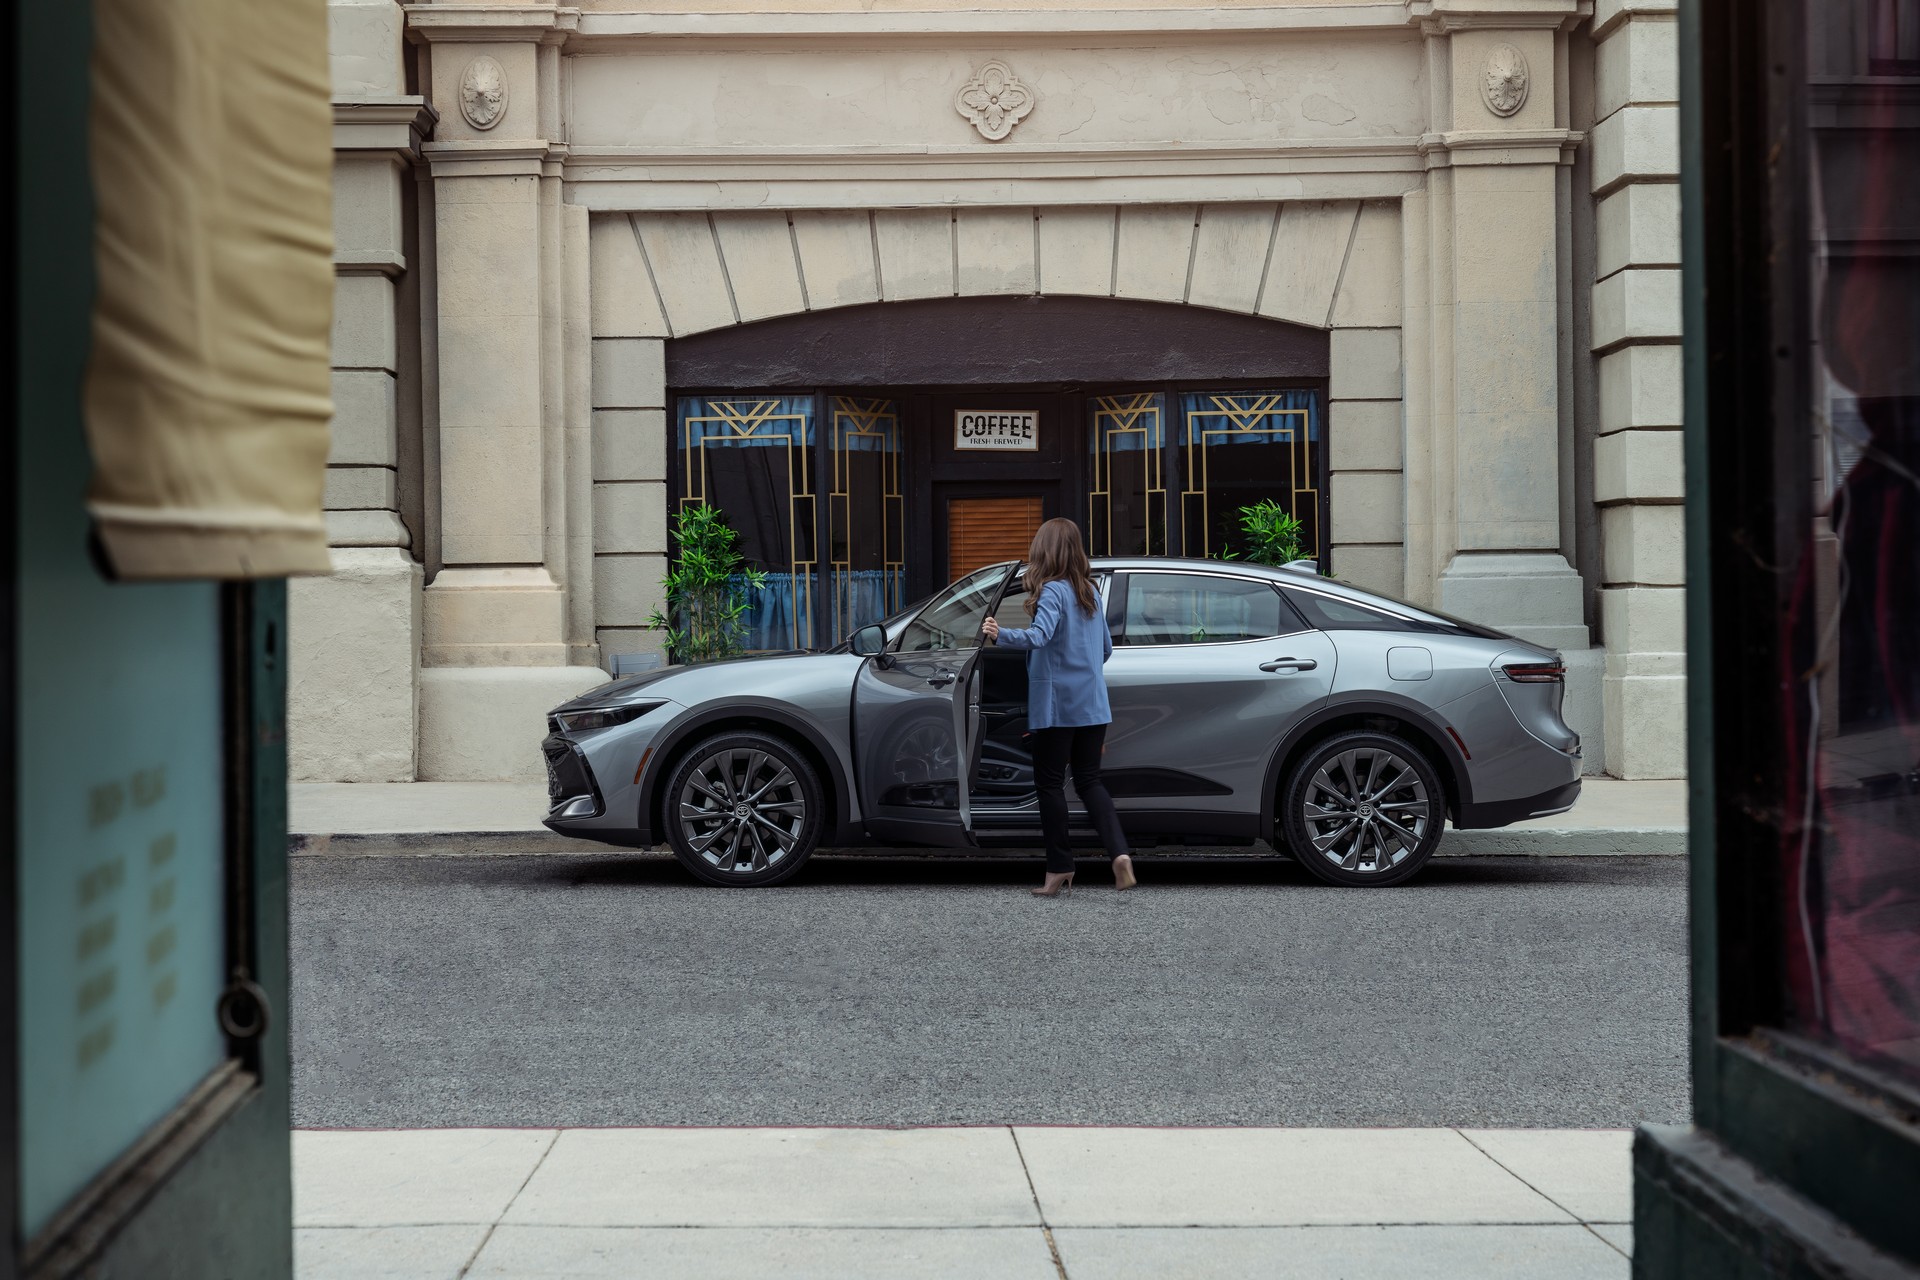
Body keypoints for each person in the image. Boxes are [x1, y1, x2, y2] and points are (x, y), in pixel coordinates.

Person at [982, 518, 1137, 897]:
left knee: (1049, 785)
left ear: (1045, 551)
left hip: (1056, 708)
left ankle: (1059, 868)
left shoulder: (1052, 590)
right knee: (1089, 782)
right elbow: (1105, 650)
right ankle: (1119, 854)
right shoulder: (1090, 591)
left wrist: (1000, 634)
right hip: (1092, 706)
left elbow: (1038, 636)